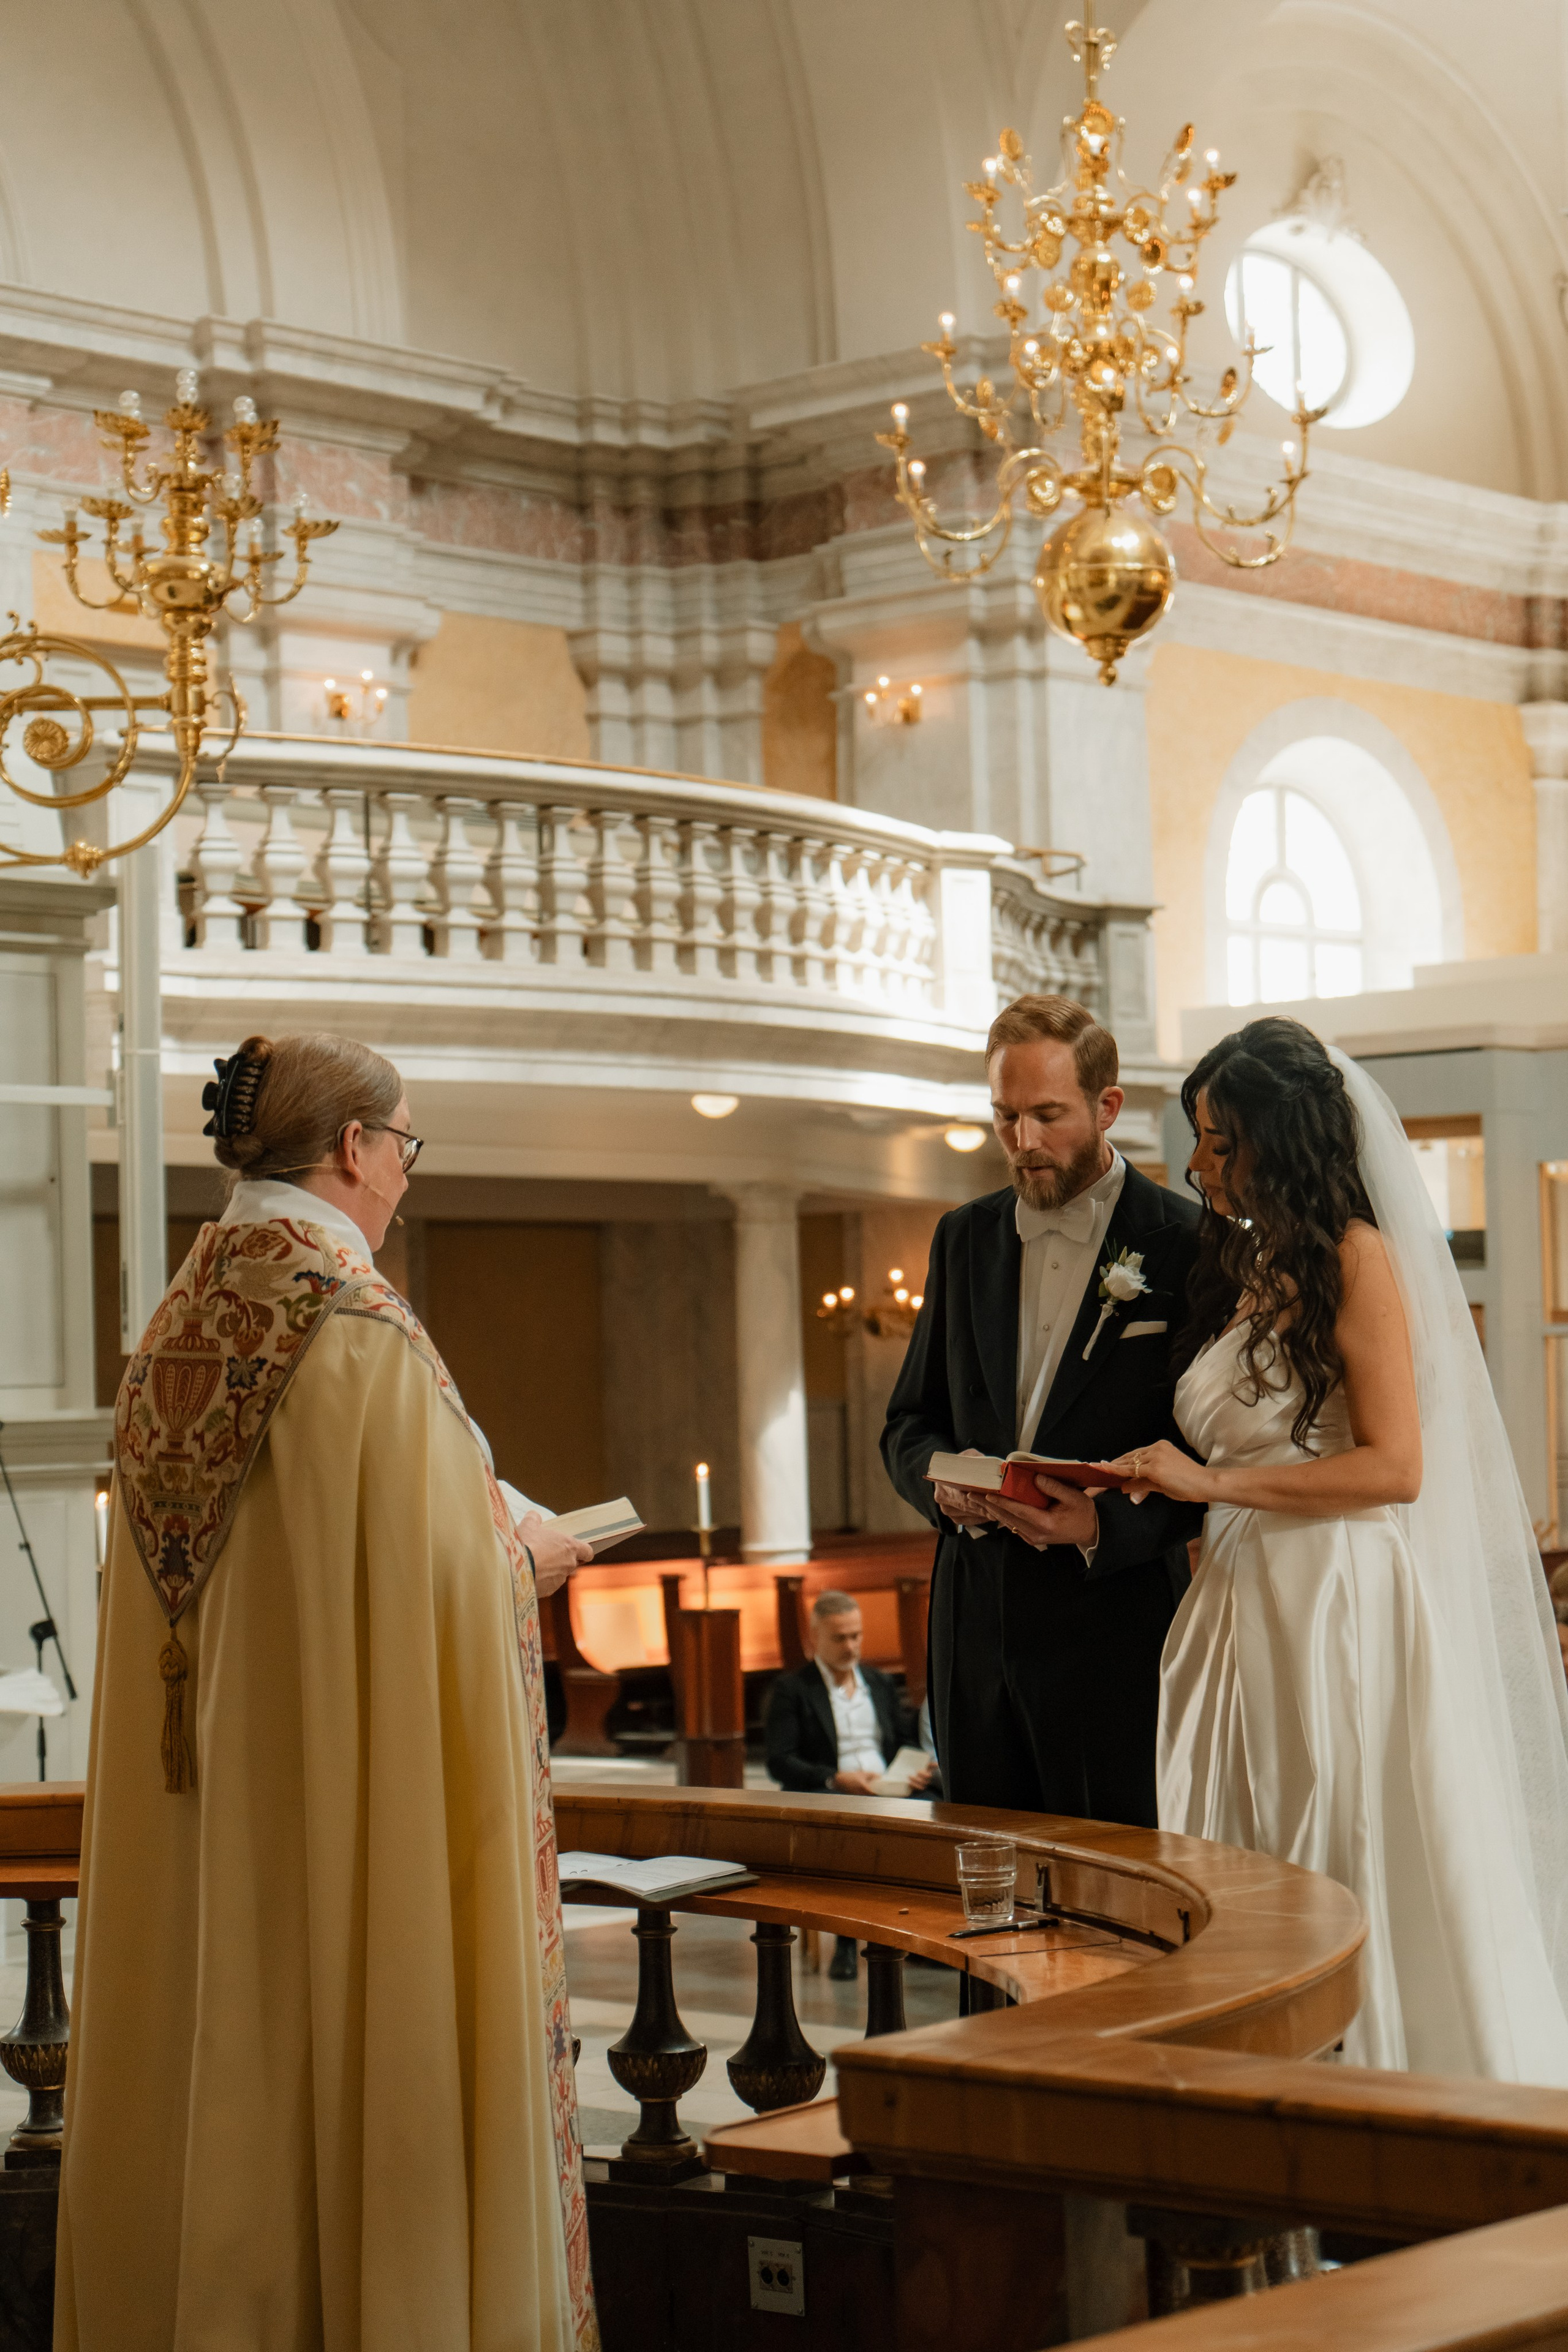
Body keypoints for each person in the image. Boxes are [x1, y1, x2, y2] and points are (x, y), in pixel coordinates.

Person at [57, 1032, 601, 2350]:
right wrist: (523, 1565)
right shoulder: (355, 1334)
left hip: (219, 1800)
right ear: (352, 1148)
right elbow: (436, 1596)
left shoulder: (177, 1324)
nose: (406, 1176)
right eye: (404, 1146)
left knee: (223, 2044)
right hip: (348, 1809)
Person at [1115, 1017, 1568, 2079]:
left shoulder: (1359, 1257)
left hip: (1333, 1597)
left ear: (1280, 1142)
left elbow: (1395, 1468)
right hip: (1243, 1593)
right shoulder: (1253, 1265)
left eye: (1221, 1141)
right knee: (1251, 1843)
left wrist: (1209, 1483)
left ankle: (1373, 2080)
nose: (1198, 1165)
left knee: (1340, 1837)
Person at [881, 994, 1204, 1823]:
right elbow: (908, 1421)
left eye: (1048, 1115)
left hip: (1115, 1629)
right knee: (983, 1871)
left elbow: (1215, 1457)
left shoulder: (1189, 1244)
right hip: (973, 1631)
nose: (1022, 1141)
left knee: (1115, 1878)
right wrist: (938, 1485)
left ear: (1107, 1106)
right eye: (1005, 1115)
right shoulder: (963, 1237)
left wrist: (1101, 1526)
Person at [764, 1591, 935, 1978]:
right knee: (849, 1825)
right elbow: (780, 1761)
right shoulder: (793, 1689)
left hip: (885, 1788)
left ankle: (923, 1933)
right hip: (831, 1790)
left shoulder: (878, 1682)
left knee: (937, 1808)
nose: (851, 1646)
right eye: (839, 1638)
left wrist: (913, 1769)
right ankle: (846, 1942)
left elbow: (904, 1740)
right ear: (815, 1638)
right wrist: (835, 1777)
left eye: (856, 1636)